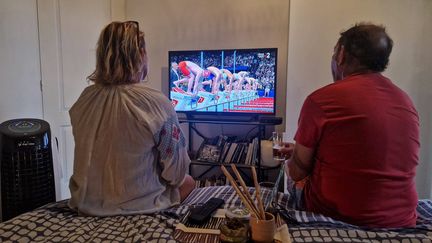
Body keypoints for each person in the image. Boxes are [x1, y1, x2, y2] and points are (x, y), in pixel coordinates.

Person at [283, 23, 419, 228]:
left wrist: (296, 158)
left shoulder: (322, 100)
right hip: (401, 220)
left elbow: (297, 173)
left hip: (337, 218)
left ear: (341, 54)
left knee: (288, 178)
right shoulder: (406, 101)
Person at [68, 21, 195, 216]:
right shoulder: (156, 102)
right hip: (141, 206)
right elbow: (176, 174)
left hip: (86, 204)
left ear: (101, 55)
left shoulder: (84, 99)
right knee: (189, 181)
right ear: (140, 56)